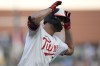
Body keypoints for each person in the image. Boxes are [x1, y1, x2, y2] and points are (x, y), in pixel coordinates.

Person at [18, 1, 74, 66]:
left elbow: (70, 50)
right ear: (52, 17)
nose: (62, 23)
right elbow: (33, 18)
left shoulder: (57, 42)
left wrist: (67, 28)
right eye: (61, 19)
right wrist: (50, 9)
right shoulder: (37, 31)